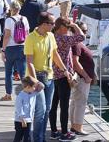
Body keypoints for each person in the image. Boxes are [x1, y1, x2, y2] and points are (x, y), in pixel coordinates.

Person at [24, 12, 73, 142]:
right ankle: (38, 139)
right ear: (44, 24)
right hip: (36, 77)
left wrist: (65, 70)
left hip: (49, 77)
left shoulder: (51, 36)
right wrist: (35, 81)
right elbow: (29, 62)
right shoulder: (30, 38)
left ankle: (41, 137)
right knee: (41, 110)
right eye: (52, 23)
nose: (54, 25)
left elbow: (55, 55)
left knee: (47, 110)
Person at [49, 18, 85, 141]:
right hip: (64, 76)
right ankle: (64, 133)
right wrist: (74, 25)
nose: (69, 29)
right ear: (62, 28)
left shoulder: (53, 37)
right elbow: (81, 37)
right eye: (67, 27)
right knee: (64, 106)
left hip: (54, 75)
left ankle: (53, 131)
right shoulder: (63, 39)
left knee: (53, 105)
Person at [69, 21, 95, 136]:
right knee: (80, 103)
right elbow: (75, 62)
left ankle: (74, 126)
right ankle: (78, 128)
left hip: (81, 78)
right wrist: (86, 76)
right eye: (83, 31)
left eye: (85, 31)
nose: (85, 34)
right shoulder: (77, 44)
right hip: (81, 78)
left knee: (75, 102)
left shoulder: (77, 44)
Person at [0, 0, 30, 101]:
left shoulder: (9, 20)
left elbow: (7, 36)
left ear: (11, 9)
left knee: (8, 72)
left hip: (10, 49)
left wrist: (3, 50)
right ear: (19, 9)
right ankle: (27, 92)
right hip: (22, 47)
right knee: (22, 72)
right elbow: (27, 34)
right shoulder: (24, 19)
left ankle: (8, 95)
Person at [13, 76, 44, 142]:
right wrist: (22, 118)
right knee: (19, 136)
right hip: (20, 121)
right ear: (28, 87)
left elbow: (42, 86)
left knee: (28, 137)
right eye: (34, 87)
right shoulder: (20, 96)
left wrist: (36, 82)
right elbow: (19, 108)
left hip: (29, 120)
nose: (35, 88)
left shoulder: (33, 93)